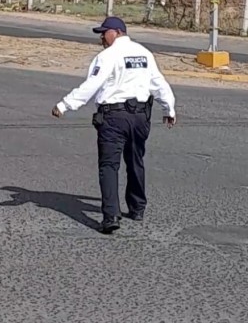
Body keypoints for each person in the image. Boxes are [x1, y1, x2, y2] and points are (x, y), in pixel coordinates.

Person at [51, 17, 176, 234]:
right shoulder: (144, 53)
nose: (101, 37)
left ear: (117, 32)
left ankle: (111, 216)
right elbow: (158, 83)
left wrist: (65, 104)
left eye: (104, 32)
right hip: (139, 117)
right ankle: (137, 208)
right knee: (135, 160)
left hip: (114, 117)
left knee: (109, 165)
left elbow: (92, 84)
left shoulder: (108, 56)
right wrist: (169, 108)